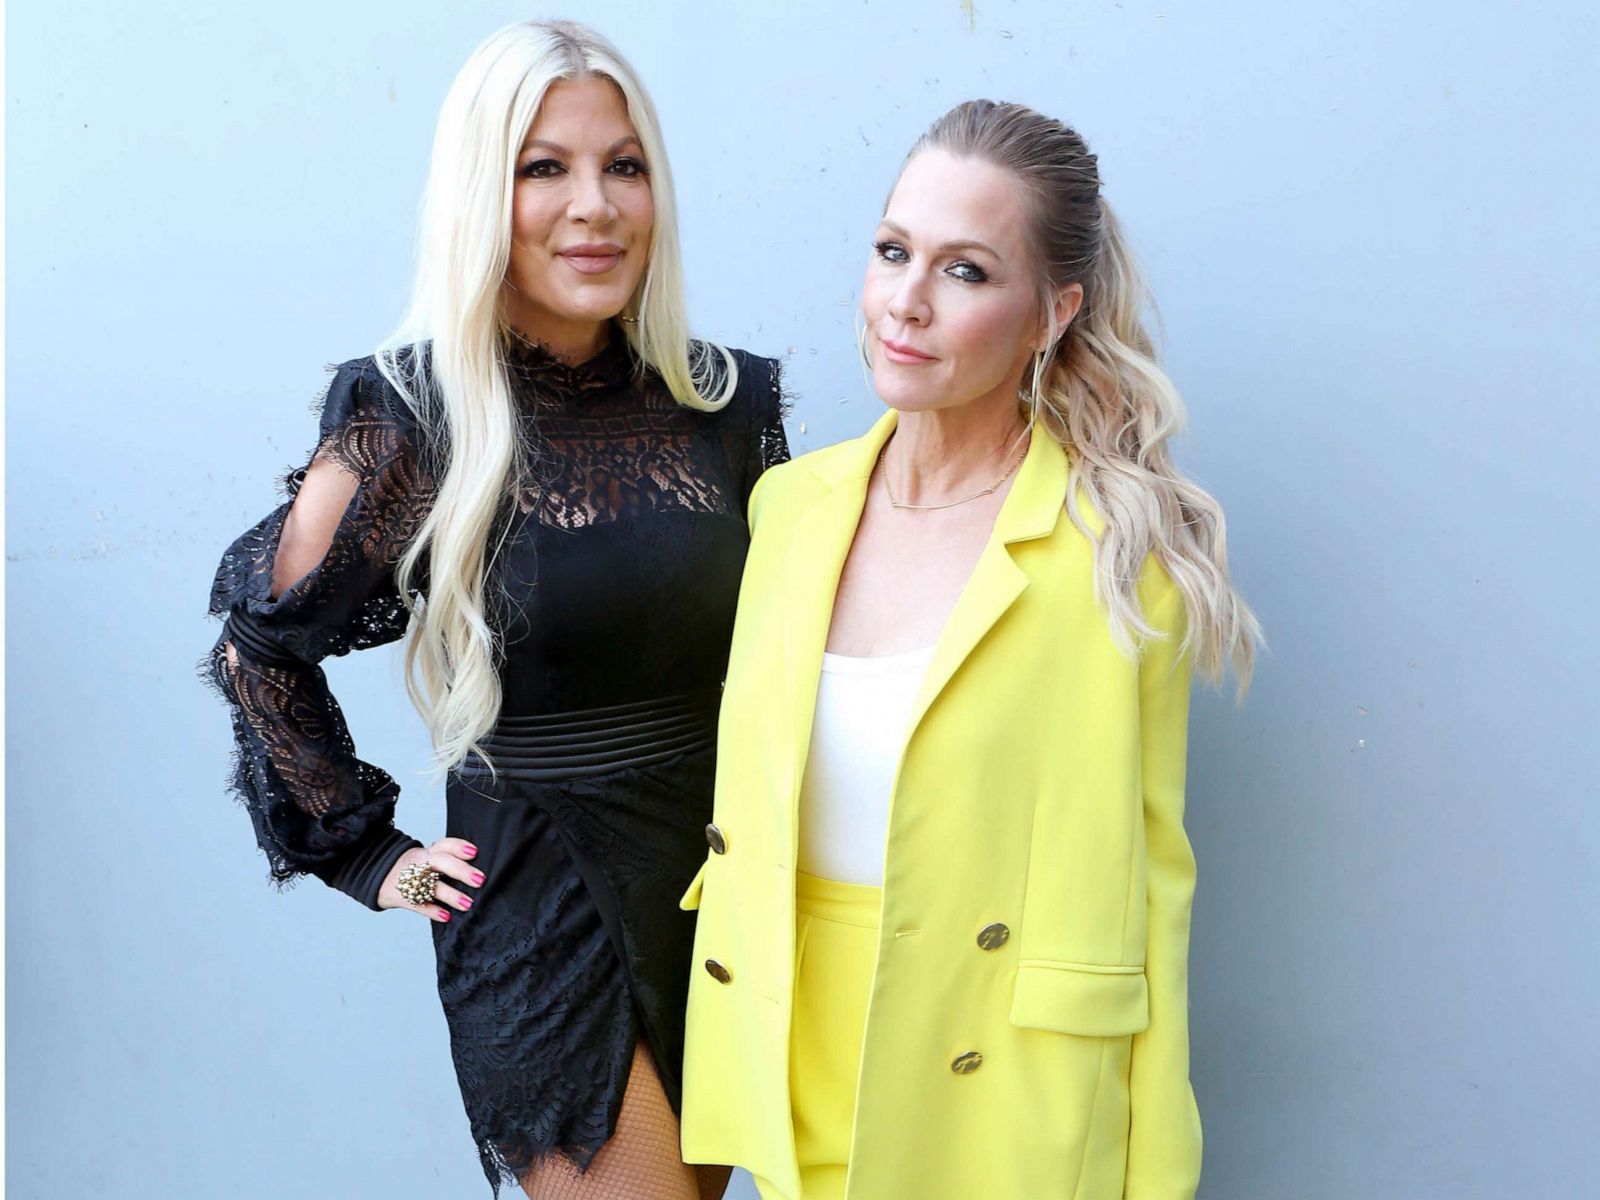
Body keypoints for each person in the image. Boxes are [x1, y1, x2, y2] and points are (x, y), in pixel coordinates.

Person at [203, 20, 786, 1200]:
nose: (596, 205)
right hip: (542, 902)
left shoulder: (723, 402)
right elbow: (258, 642)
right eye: (543, 167)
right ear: (482, 191)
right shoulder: (411, 415)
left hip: (722, 882)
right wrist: (370, 854)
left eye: (623, 165)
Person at [676, 100, 1260, 1200]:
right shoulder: (790, 510)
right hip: (791, 1059)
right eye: (893, 251)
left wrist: (1156, 1174)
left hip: (1002, 1088)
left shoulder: (1115, 551)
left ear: (1053, 312)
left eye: (967, 272)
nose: (906, 301)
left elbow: (1154, 885)